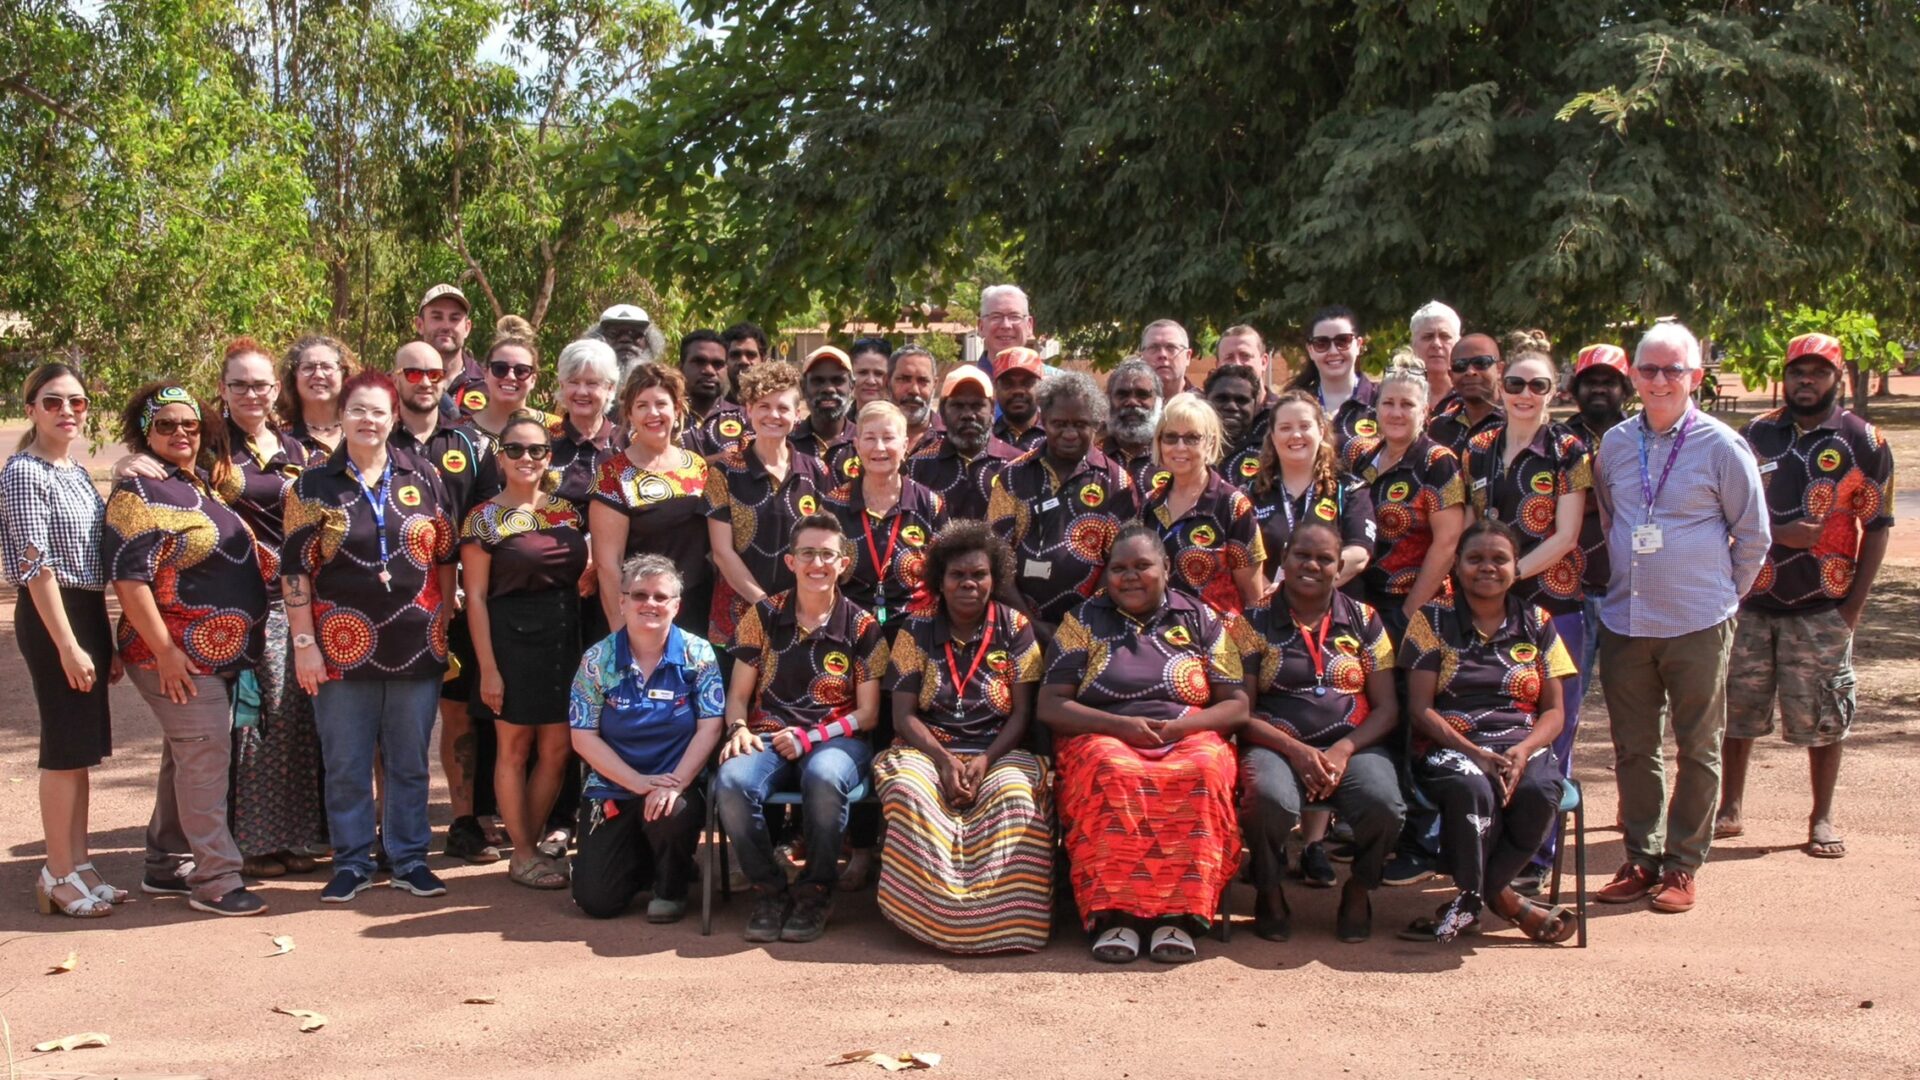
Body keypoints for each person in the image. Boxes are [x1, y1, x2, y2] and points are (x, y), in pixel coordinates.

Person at [1591, 321, 1768, 915]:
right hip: (1626, 620)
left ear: (1696, 377)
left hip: (1698, 621)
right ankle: (1642, 856)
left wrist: (1722, 597)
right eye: (1649, 369)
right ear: (1633, 376)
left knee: (1698, 747)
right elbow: (1613, 517)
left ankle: (1683, 865)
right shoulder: (1615, 444)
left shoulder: (1722, 446)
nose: (1660, 380)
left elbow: (1753, 536)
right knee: (1634, 747)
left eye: (1674, 370)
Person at [284, 371, 458, 904]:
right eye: (358, 410)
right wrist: (304, 643)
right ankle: (352, 861)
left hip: (415, 645)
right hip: (338, 650)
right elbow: (295, 571)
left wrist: (443, 622)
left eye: (379, 411)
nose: (368, 420)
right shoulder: (312, 485)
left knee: (409, 762)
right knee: (347, 763)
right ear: (342, 414)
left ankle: (408, 858)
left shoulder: (422, 474)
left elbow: (444, 556)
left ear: (394, 417)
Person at [1720, 332, 1894, 860]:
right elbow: (1726, 509)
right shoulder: (1755, 436)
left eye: (1818, 372)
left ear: (1837, 377)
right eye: (1798, 371)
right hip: (1752, 600)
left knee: (1824, 713)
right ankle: (1730, 806)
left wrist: (1853, 607)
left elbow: (1879, 525)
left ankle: (1821, 815)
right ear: (1786, 375)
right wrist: (1779, 531)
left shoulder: (1865, 441)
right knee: (1735, 709)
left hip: (1823, 605)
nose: (1806, 380)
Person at [1039, 524, 1247, 964]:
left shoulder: (1203, 619)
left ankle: (1182, 916)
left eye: (1142, 566)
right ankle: (1116, 917)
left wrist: (1180, 730)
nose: (1129, 577)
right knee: (1110, 769)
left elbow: (1237, 705)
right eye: (1118, 568)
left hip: (1185, 734)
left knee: (1204, 769)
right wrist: (1120, 726)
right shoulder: (1082, 622)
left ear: (1167, 569)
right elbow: (1052, 705)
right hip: (1104, 735)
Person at [104, 382, 270, 916]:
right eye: (166, 425)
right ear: (146, 431)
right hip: (174, 656)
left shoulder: (197, 485)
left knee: (188, 757)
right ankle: (217, 882)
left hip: (216, 656)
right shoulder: (138, 492)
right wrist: (166, 651)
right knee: (204, 759)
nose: (180, 433)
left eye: (190, 425)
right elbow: (130, 581)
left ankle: (164, 862)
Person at [1396, 520, 1579, 944]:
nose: (1487, 567)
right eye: (1475, 558)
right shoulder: (1430, 620)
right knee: (1472, 787)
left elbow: (1554, 712)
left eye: (1500, 559)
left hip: (1521, 743)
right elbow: (1419, 708)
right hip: (1451, 744)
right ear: (1456, 566)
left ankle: (1474, 899)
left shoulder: (1537, 622)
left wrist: (1524, 749)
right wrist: (1474, 753)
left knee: (1539, 790)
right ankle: (1507, 902)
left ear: (1516, 568)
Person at [874, 521, 1052, 954]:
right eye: (957, 575)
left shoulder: (1015, 627)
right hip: (926, 746)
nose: (969, 583)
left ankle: (1007, 925)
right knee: (907, 791)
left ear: (995, 578)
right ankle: (928, 918)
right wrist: (942, 760)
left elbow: (1024, 713)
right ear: (940, 580)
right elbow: (902, 714)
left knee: (1015, 796)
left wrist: (985, 760)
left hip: (1000, 748)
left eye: (979, 574)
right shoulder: (915, 628)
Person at [715, 514, 888, 944]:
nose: (817, 563)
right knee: (733, 781)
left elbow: (868, 714)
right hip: (768, 734)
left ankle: (815, 891)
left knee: (825, 777)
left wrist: (810, 738)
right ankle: (769, 889)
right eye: (807, 553)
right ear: (791, 561)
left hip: (838, 739)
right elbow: (737, 695)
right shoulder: (763, 615)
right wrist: (737, 727)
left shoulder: (863, 625)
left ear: (843, 563)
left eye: (827, 554)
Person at [1236, 519, 1404, 942]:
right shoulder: (1252, 621)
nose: (1312, 565)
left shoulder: (1366, 620)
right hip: (1276, 746)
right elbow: (1239, 710)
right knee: (1268, 799)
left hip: (1353, 746)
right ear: (1284, 561)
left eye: (1324, 558)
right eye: (1302, 555)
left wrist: (1344, 749)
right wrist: (1295, 751)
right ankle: (1269, 888)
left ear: (1338, 565)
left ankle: (1360, 888)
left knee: (1385, 805)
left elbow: (1387, 709)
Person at [1463, 346, 1590, 892]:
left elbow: (1565, 536)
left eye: (1538, 386)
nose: (1524, 395)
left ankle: (1536, 859)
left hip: (1554, 608)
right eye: (1515, 383)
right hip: (1485, 609)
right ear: (1501, 386)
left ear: (1554, 392)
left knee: (1550, 730)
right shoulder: (1478, 448)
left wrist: (1507, 576)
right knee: (1488, 718)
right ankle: (1486, 849)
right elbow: (1471, 528)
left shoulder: (1570, 450)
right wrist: (1483, 582)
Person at [6, 363, 121, 918]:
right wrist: (68, 644)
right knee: (62, 746)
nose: (67, 411)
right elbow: (36, 566)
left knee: (81, 750)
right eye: (53, 402)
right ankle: (56, 872)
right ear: (30, 409)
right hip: (55, 614)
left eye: (77, 401)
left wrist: (102, 639)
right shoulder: (25, 473)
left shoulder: (73, 471)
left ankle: (78, 861)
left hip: (88, 609)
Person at [462, 411, 589, 890]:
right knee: (514, 749)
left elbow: (581, 566)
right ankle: (522, 853)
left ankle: (529, 848)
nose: (526, 458)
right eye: (514, 449)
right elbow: (474, 597)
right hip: (510, 640)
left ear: (548, 457)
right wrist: (489, 669)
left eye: (536, 450)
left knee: (558, 749)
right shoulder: (482, 518)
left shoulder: (566, 512)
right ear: (500, 457)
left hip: (563, 636)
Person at [217, 341, 327, 879]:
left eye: (261, 384)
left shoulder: (298, 450)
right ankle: (251, 843)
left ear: (275, 389)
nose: (252, 394)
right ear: (223, 389)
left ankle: (296, 836)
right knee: (249, 720)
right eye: (240, 384)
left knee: (292, 717)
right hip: (234, 604)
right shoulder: (210, 447)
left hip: (295, 600)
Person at [568, 555, 725, 921]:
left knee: (672, 812)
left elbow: (711, 726)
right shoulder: (597, 660)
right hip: (614, 787)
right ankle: (642, 862)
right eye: (639, 595)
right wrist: (637, 783)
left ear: (676, 605)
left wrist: (675, 784)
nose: (649, 604)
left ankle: (671, 888)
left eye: (660, 596)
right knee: (597, 903)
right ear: (621, 601)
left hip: (676, 785)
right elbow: (583, 736)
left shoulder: (697, 654)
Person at [987, 371, 1139, 641]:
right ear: (1043, 420)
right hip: (1018, 628)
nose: (1070, 433)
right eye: (1059, 423)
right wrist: (1030, 625)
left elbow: (1120, 562)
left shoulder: (1117, 482)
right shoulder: (1013, 475)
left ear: (1096, 424)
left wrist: (1081, 624)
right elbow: (996, 556)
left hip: (1093, 629)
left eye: (1080, 424)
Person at [705, 361, 834, 642]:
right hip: (736, 620)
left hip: (799, 616)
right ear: (748, 410)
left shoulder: (816, 471)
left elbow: (824, 546)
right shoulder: (724, 473)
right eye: (763, 406)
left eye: (783, 408)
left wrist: (797, 608)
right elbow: (722, 553)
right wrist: (765, 604)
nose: (773, 415)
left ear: (797, 415)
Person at [590, 364, 712, 637]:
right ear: (630, 414)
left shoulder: (697, 466)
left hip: (694, 608)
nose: (653, 413)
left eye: (661, 403)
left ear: (677, 409)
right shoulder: (613, 475)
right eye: (642, 405)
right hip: (640, 613)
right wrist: (620, 633)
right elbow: (609, 565)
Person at [1350, 355, 1467, 632]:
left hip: (1417, 608)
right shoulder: (1364, 460)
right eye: (1388, 403)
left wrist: (1408, 613)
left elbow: (1448, 543)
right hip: (1364, 602)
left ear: (1425, 411)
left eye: (1407, 404)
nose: (1396, 413)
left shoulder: (1437, 461)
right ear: (1376, 408)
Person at [824, 401, 946, 629]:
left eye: (888, 438)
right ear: (857, 445)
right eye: (870, 438)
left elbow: (944, 574)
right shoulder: (832, 506)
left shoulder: (930, 504)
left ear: (905, 445)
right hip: (850, 629)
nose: (879, 447)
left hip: (916, 628)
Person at [1142, 396, 1264, 613]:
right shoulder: (1150, 502)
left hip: (1218, 640)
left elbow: (1253, 597)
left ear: (1210, 442)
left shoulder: (1232, 505)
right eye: (1170, 437)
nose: (1179, 447)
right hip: (1157, 637)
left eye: (1192, 438)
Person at [1248, 390, 1375, 590]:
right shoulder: (1251, 494)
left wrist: (1295, 586)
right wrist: (1271, 596)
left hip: (1334, 612)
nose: (1296, 434)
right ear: (1272, 436)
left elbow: (1359, 555)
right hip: (1269, 612)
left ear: (1321, 430)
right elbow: (1241, 559)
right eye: (1285, 428)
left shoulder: (1349, 489)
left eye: (1305, 426)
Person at [1565, 343, 1634, 678]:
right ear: (1575, 388)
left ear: (1625, 388)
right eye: (1590, 381)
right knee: (1567, 694)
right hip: (1569, 589)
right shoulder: (1556, 439)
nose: (1599, 388)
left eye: (1609, 381)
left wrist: (1586, 498)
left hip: (1630, 588)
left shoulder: (1642, 436)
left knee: (1636, 696)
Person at [907, 367, 1021, 521]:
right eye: (958, 406)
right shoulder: (918, 466)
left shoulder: (1018, 464)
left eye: (977, 405)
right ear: (942, 411)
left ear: (992, 409)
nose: (968, 415)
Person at [1285, 306, 1379, 457]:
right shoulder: (1293, 405)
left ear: (1359, 345)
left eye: (1343, 341)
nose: (1333, 351)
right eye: (1321, 343)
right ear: (1310, 350)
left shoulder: (1382, 401)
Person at [684, 322, 765, 458]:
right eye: (735, 355)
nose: (743, 361)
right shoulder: (666, 415)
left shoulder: (763, 417)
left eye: (750, 355)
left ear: (763, 359)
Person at [467, 316, 550, 444]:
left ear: (533, 379)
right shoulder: (460, 433)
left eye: (521, 370)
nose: (510, 377)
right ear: (485, 374)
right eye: (500, 368)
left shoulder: (557, 431)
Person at [277, 334, 356, 461]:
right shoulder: (279, 440)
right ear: (293, 377)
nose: (318, 375)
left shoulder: (362, 432)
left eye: (327, 367)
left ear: (344, 374)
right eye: (308, 367)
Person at [789, 346, 859, 479]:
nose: (828, 389)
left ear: (852, 386)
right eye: (818, 381)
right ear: (803, 387)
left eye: (837, 380)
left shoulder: (865, 442)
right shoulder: (787, 443)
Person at [1427, 335, 1503, 457]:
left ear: (1500, 370)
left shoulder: (1515, 421)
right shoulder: (1439, 427)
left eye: (1481, 363)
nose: (1470, 372)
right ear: (1451, 376)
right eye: (1460, 365)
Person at [1098, 357, 1163, 496]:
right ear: (1108, 401)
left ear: (1158, 402)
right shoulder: (1092, 457)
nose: (1132, 402)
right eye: (1122, 395)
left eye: (1142, 395)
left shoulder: (1173, 456)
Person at [414, 283, 483, 415]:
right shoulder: (397, 383)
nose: (446, 326)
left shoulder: (488, 383)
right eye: (437, 317)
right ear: (420, 325)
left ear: (467, 328)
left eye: (454, 318)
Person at [1206, 364, 1266, 485]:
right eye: (1221, 399)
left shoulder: (1269, 452)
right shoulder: (1186, 446)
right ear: (1205, 400)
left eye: (1241, 400)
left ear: (1255, 406)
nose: (1231, 407)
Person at [990, 346, 1047, 452]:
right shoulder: (985, 440)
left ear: (1041, 387)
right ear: (995, 388)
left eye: (1027, 383)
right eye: (1008, 383)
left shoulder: (1056, 437)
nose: (1018, 391)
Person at [1214, 324, 1283, 409]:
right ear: (1218, 366)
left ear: (1264, 362)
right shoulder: (1207, 416)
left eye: (1245, 356)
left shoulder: (1283, 413)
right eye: (1229, 357)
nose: (1237, 363)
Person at [888, 345, 942, 451]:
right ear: (887, 382)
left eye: (923, 381)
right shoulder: (866, 437)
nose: (914, 390)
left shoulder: (951, 440)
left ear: (935, 385)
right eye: (904, 379)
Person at [975, 284, 1034, 380]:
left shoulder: (1054, 385)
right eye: (996, 317)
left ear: (1029, 325)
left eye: (1015, 316)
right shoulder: (963, 385)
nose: (1006, 325)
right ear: (981, 326)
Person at [677, 329, 730, 434]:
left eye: (718, 364)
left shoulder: (746, 419)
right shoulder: (661, 419)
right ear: (680, 367)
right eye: (699, 362)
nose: (709, 371)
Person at [1409, 301, 1462, 405]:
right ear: (1413, 345)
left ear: (1459, 344)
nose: (1436, 344)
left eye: (1444, 336)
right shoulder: (1397, 394)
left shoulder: (1472, 397)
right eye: (1428, 337)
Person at [594, 303, 661, 377]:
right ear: (598, 339)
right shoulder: (584, 383)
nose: (625, 339)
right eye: (613, 334)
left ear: (649, 341)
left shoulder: (660, 383)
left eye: (635, 334)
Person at [1139, 319, 1196, 401]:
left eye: (1171, 347)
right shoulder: (1128, 407)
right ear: (1142, 357)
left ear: (1188, 356)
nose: (1162, 354)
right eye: (1153, 348)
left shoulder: (1207, 406)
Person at [849, 337, 893, 412]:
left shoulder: (902, 422)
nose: (871, 381)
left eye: (879, 374)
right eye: (863, 372)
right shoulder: (838, 422)